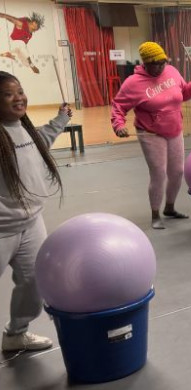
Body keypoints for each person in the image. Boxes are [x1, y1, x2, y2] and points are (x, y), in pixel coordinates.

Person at [0, 71, 72, 351]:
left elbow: (44, 139)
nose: (18, 98)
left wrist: (62, 117)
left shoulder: (24, 129)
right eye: (8, 94)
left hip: (31, 224)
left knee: (33, 282)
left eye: (20, 91)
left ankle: (16, 333)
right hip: (2, 229)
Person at [111, 42, 191, 229]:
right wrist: (118, 125)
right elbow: (118, 106)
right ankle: (155, 214)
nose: (160, 67)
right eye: (156, 64)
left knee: (177, 172)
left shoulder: (172, 72)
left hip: (174, 129)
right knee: (159, 173)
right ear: (145, 63)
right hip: (150, 133)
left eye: (163, 62)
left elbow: (183, 93)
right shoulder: (133, 83)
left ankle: (170, 208)